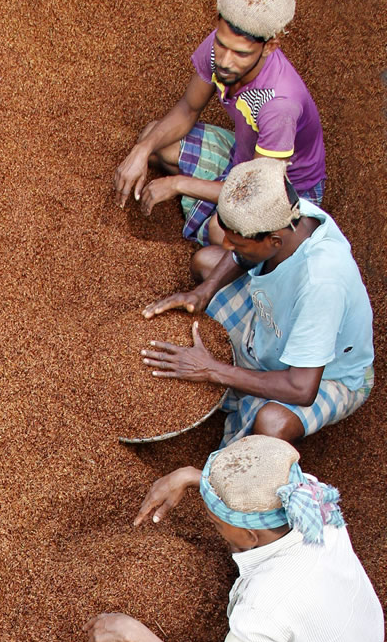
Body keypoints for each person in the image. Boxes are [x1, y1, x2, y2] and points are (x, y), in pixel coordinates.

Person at [85, 436, 384, 642]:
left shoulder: (267, 600)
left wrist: (134, 634)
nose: (214, 526)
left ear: (251, 535)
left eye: (216, 523)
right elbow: (257, 488)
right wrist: (191, 476)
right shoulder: (307, 499)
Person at [139, 159, 374, 444]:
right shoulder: (286, 210)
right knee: (205, 263)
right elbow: (239, 252)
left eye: (236, 243)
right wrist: (205, 290)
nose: (227, 246)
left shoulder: (321, 283)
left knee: (272, 423)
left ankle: (234, 380)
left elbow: (301, 389)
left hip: (326, 374)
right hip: (271, 324)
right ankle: (238, 370)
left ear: (274, 241)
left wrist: (211, 370)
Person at [113, 0, 325, 259]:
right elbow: (188, 109)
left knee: (220, 231)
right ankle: (198, 193)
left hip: (282, 188)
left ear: (270, 46)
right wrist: (141, 149)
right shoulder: (217, 50)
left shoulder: (279, 105)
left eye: (240, 54)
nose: (224, 61)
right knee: (153, 137)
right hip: (245, 156)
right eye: (222, 45)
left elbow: (256, 192)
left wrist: (176, 184)